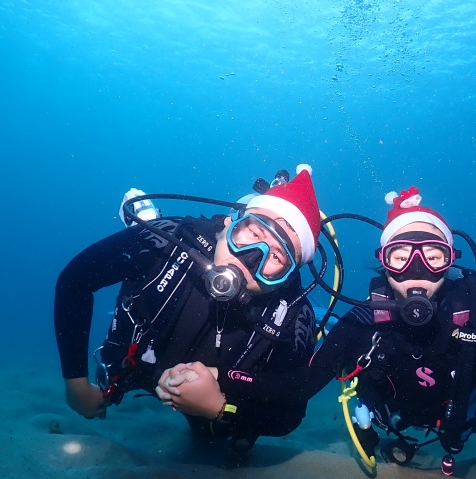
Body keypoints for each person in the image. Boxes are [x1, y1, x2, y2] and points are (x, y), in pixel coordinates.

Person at [302, 187, 476, 479]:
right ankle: (315, 315)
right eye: (401, 257)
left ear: (450, 263)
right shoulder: (365, 319)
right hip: (385, 413)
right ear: (384, 261)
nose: (417, 270)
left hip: (451, 421)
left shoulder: (472, 322)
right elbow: (302, 384)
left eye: (434, 256)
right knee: (332, 333)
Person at [54, 165, 322, 452]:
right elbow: (75, 279)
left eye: (278, 255)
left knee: (213, 436)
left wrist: (219, 408)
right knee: (102, 394)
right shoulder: (170, 239)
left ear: (289, 275)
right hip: (138, 362)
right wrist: (76, 383)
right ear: (230, 222)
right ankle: (144, 224)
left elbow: (291, 413)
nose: (252, 258)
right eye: (253, 232)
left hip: (214, 392)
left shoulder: (293, 316)